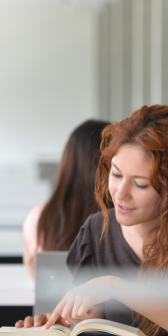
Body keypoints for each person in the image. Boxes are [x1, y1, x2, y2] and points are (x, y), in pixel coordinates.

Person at [16, 105, 168, 336]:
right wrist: (58, 321)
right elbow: (93, 321)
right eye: (117, 175)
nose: (120, 194)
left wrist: (119, 287)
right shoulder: (96, 229)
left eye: (140, 184)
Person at [22, 119, 112, 277]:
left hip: (57, 303)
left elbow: (36, 281)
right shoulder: (125, 218)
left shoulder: (38, 218)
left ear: (68, 161)